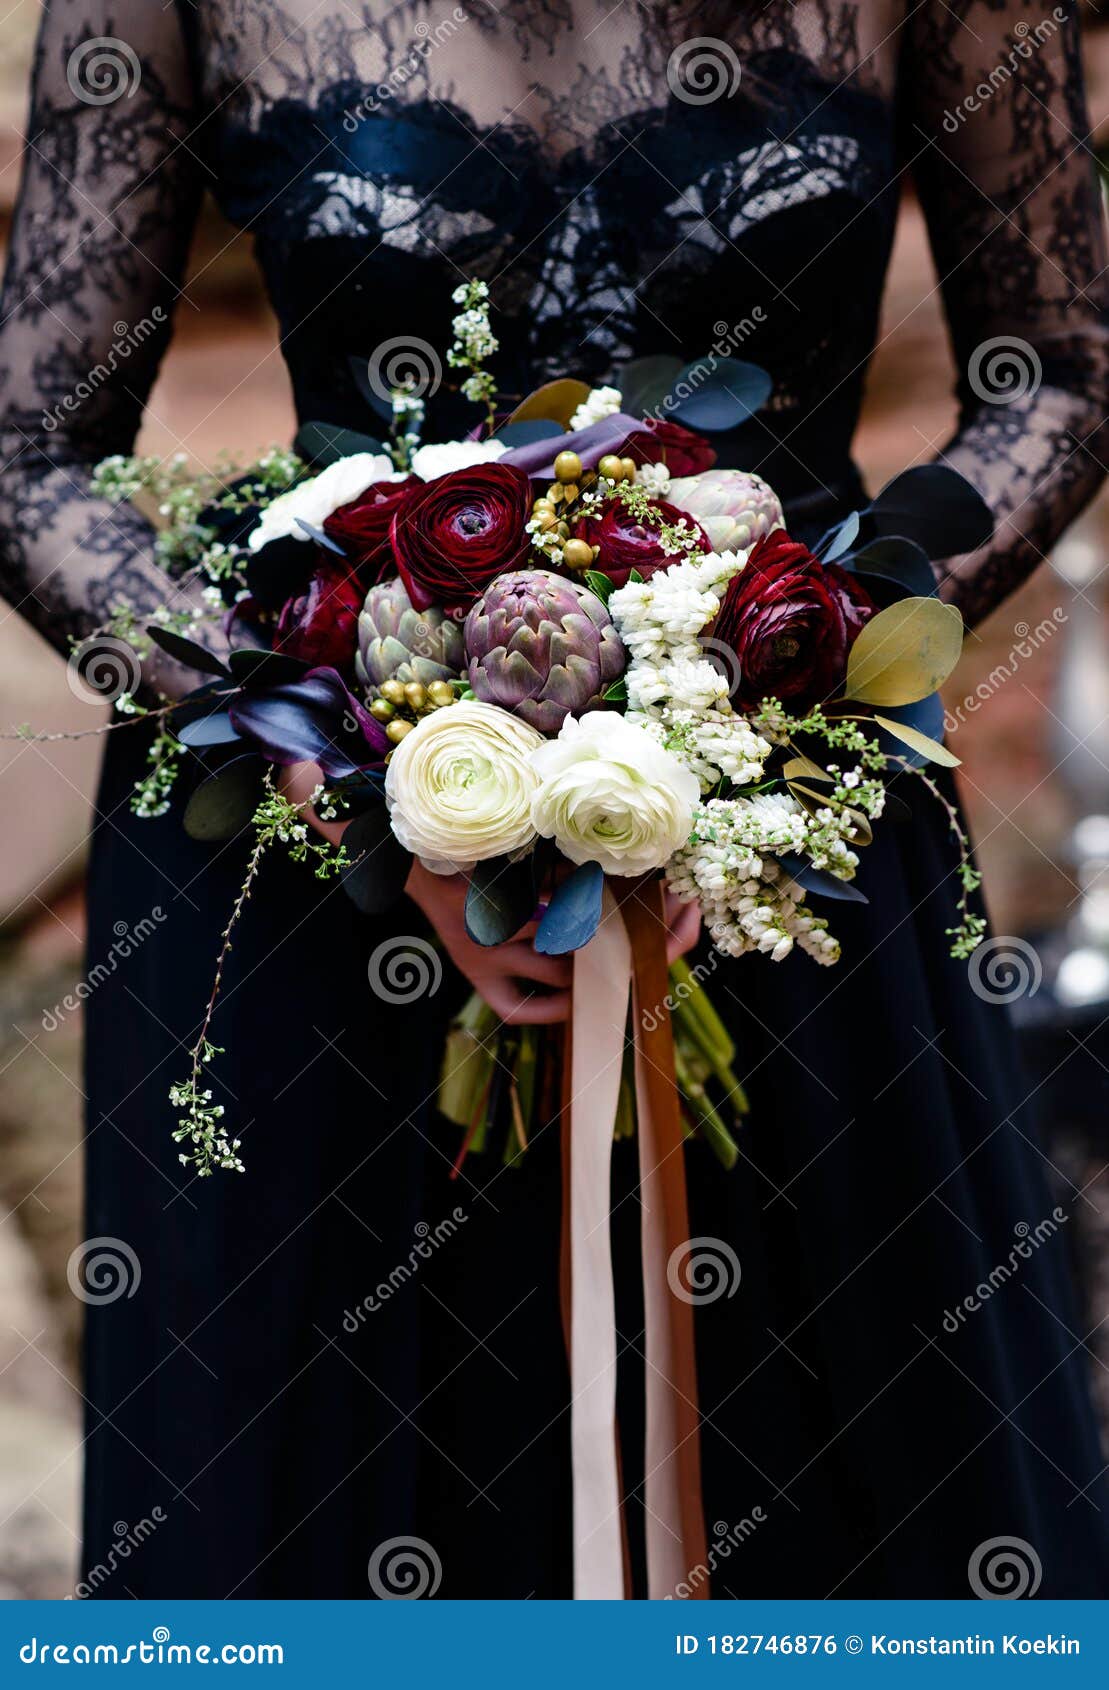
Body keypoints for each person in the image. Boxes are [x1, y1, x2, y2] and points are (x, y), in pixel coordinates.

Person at [1, 0, 1107, 1598]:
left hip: (788, 849)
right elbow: (32, 450)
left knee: (851, 1493)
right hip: (321, 882)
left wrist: (777, 669)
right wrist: (339, 765)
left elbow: (1062, 373)